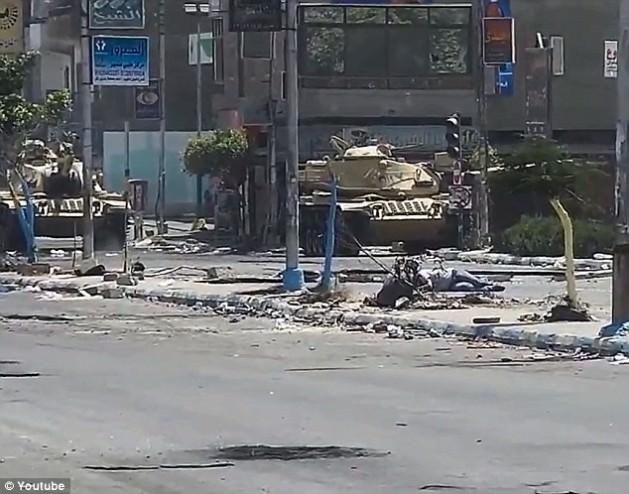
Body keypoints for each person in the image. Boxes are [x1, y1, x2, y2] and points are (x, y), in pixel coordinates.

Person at [419, 266, 505, 292]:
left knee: (476, 281)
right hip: (450, 286)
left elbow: (429, 283)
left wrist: (425, 287)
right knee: (470, 287)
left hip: (453, 274)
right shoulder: (418, 286)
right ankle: (491, 288)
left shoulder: (422, 273)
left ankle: (492, 283)